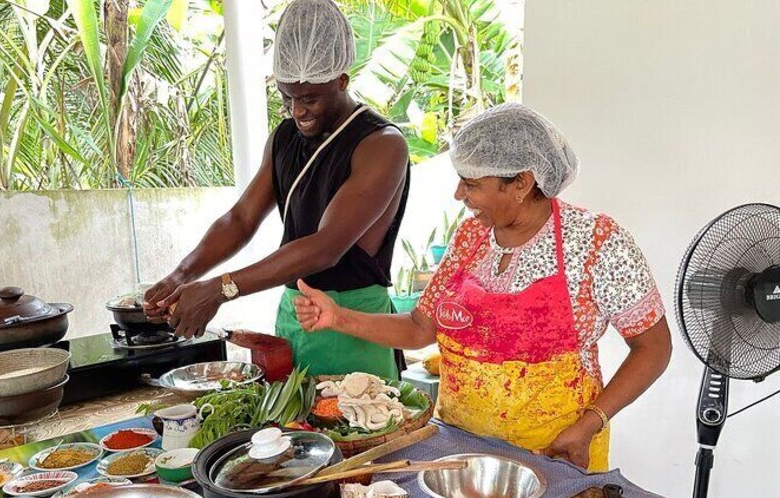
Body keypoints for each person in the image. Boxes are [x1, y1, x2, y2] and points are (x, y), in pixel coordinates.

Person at [294, 103, 672, 471]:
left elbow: (653, 348)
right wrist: (337, 316)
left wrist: (589, 424)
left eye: (472, 184)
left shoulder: (596, 242)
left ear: (522, 182)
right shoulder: (469, 237)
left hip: (554, 454)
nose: (459, 195)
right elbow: (420, 327)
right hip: (459, 451)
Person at [143, 0, 410, 380]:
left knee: (357, 431)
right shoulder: (284, 137)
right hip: (294, 315)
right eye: (286, 97)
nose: (296, 111)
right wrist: (181, 276)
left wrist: (222, 289)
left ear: (342, 80)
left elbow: (325, 247)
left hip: (354, 322)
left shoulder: (381, 144)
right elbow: (241, 218)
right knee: (291, 431)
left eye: (309, 99)